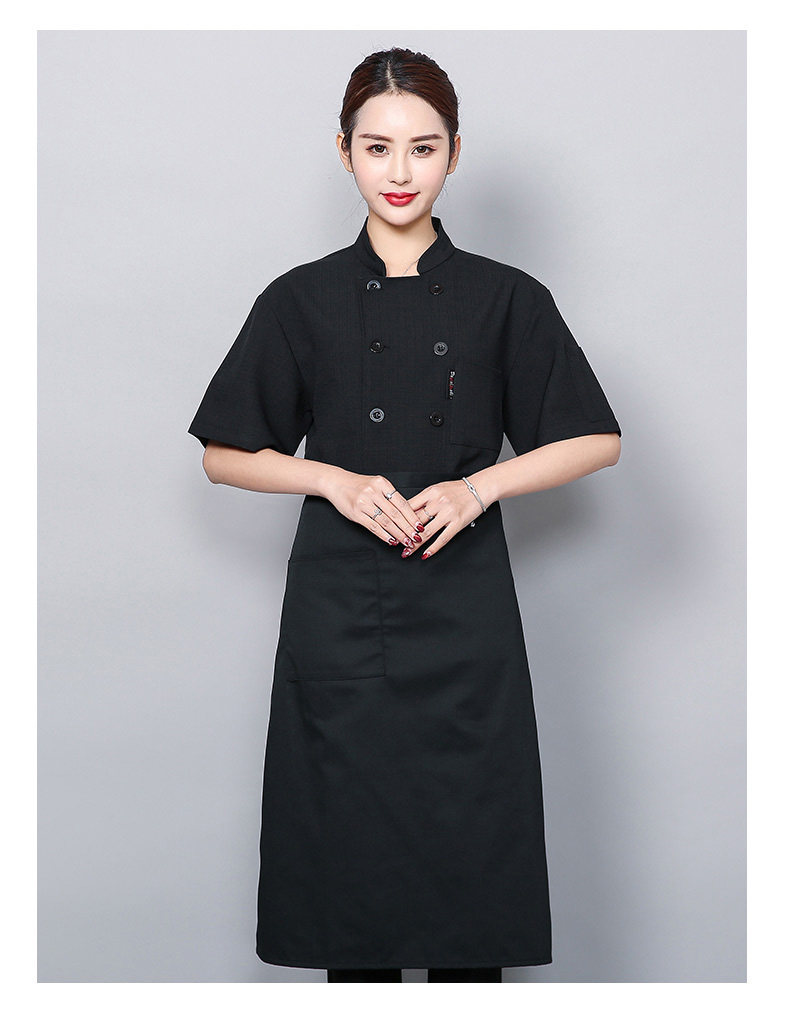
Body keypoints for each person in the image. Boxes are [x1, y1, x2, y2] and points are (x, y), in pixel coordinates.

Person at [188, 46, 621, 984]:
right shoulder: (301, 299)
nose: (399, 171)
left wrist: (479, 488)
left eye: (422, 148)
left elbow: (596, 438)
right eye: (377, 147)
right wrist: (331, 481)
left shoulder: (506, 297)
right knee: (355, 910)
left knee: (470, 910)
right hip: (341, 613)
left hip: (465, 620)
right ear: (344, 151)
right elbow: (223, 453)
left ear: (455, 153)